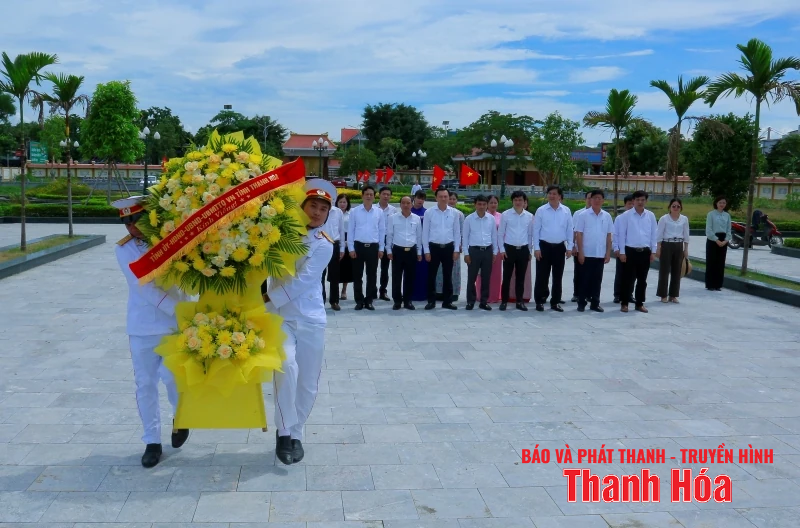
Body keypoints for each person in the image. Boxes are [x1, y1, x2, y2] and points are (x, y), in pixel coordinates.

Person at [113, 196, 190, 468]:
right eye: (126, 222)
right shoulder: (124, 250)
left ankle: (181, 418)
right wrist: (177, 310)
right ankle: (152, 441)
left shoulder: (170, 240)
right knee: (145, 384)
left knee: (172, 378)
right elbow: (142, 287)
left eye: (136, 219)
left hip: (172, 327)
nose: (132, 227)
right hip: (143, 325)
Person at [266, 178, 335, 465]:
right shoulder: (278, 234)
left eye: (322, 209)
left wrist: (267, 300)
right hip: (281, 318)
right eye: (312, 206)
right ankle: (283, 433)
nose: (316, 212)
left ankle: (297, 433)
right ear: (302, 206)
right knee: (286, 367)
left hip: (310, 318)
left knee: (307, 382)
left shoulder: (324, 245)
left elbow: (305, 282)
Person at [533, 185, 574, 312]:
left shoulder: (566, 211)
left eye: (554, 193)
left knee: (558, 276)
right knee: (542, 276)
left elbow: (569, 229)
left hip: (559, 248)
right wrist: (536, 248)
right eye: (550, 193)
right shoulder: (541, 210)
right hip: (544, 246)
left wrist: (570, 247)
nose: (551, 196)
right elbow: (536, 230)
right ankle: (539, 301)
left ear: (560, 196)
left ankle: (555, 302)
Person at [616, 190, 658, 313]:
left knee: (642, 280)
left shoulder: (650, 215)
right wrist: (622, 252)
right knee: (627, 279)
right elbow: (622, 235)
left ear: (646, 201)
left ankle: (639, 303)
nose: (640, 202)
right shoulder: (626, 216)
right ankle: (624, 303)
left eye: (642, 200)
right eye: (638, 200)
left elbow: (653, 234)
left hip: (644, 251)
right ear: (633, 201)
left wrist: (653, 251)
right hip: (630, 251)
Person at [574, 189, 613, 312]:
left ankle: (595, 303)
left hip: (599, 254)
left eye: (599, 198)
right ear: (590, 200)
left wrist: (607, 253)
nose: (597, 200)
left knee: (597, 280)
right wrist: (580, 252)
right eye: (594, 198)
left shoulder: (606, 216)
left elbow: (608, 235)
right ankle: (581, 302)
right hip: (586, 253)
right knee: (583, 279)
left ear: (603, 201)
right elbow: (578, 234)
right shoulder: (583, 215)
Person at [347, 185, 385, 311]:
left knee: (372, 275)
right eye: (366, 194)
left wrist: (381, 248)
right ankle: (359, 300)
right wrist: (351, 248)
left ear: (374, 197)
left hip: (373, 247)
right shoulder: (355, 211)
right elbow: (351, 230)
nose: (369, 196)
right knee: (357, 276)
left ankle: (369, 300)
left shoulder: (379, 212)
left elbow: (382, 231)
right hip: (358, 246)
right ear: (362, 196)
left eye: (371, 194)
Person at [423, 187, 461, 310]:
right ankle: (431, 301)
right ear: (436, 198)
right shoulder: (429, 212)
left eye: (446, 196)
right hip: (434, 247)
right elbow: (425, 233)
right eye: (441, 196)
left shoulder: (454, 213)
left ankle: (447, 301)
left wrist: (456, 250)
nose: (443, 199)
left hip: (448, 247)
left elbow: (457, 233)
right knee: (431, 275)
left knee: (447, 275)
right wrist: (426, 251)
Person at [498, 190, 533, 311]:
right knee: (507, 277)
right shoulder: (506, 215)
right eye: (516, 200)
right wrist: (502, 250)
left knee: (520, 277)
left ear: (524, 202)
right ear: (512, 201)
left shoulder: (529, 216)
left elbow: (530, 235)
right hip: (509, 249)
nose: (518, 202)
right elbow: (500, 233)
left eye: (520, 200)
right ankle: (504, 301)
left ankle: (520, 301)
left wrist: (529, 251)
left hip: (523, 250)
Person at [387, 195, 422, 310]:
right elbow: (390, 235)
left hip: (411, 251)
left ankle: (408, 301)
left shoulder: (416, 218)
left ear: (412, 204)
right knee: (396, 277)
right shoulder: (393, 218)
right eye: (403, 203)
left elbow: (419, 236)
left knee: (410, 277)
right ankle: (397, 301)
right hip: (397, 250)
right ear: (400, 204)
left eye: (408, 203)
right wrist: (388, 250)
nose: (406, 205)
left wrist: (419, 252)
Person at [656, 198, 690, 303]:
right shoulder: (664, 219)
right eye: (673, 206)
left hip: (679, 245)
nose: (675, 208)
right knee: (664, 271)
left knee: (677, 271)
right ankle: (663, 295)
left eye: (678, 206)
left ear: (681, 208)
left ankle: (673, 295)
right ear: (670, 207)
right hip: (667, 244)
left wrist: (686, 249)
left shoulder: (684, 219)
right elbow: (659, 234)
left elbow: (686, 234)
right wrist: (658, 248)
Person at [436, 190, 464, 302]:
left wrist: (459, 246)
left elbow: (461, 232)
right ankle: (439, 292)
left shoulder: (459, 214)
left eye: (453, 199)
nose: (451, 201)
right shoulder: (437, 212)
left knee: (454, 271)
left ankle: (454, 292)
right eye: (450, 198)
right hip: (441, 246)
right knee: (440, 270)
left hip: (454, 247)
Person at [475, 195, 502, 302]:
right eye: (491, 202)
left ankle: (494, 296)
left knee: (495, 274)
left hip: (497, 249)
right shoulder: (482, 216)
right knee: (482, 274)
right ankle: (481, 295)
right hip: (483, 248)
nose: (493, 205)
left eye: (495, 202)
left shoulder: (502, 216)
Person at [321, 195, 345, 311]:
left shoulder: (338, 212)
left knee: (335, 275)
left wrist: (342, 249)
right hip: (320, 243)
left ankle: (334, 301)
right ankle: (320, 300)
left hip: (334, 244)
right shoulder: (320, 210)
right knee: (320, 275)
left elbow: (341, 230)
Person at [705, 195, 732, 291]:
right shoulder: (711, 214)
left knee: (720, 263)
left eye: (724, 203)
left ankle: (718, 284)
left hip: (723, 240)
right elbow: (708, 230)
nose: (722, 204)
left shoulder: (727, 215)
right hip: (713, 240)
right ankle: (710, 284)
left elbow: (729, 230)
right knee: (711, 262)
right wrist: (716, 240)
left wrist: (725, 240)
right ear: (716, 203)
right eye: (720, 202)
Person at [377, 186, 398, 301]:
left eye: (388, 194)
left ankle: (383, 291)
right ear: (379, 195)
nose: (386, 196)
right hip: (374, 240)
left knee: (385, 268)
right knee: (372, 268)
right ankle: (371, 290)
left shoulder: (393, 210)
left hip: (387, 240)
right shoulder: (374, 208)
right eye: (384, 194)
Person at [612, 195, 634, 303]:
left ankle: (629, 294)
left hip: (633, 249)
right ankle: (617, 294)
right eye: (629, 204)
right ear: (625, 205)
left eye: (632, 204)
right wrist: (616, 247)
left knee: (632, 274)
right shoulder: (619, 218)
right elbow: (615, 234)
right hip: (622, 249)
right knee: (620, 272)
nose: (631, 206)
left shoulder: (637, 218)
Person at [571, 192, 592, 303]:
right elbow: (574, 231)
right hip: (580, 248)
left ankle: (589, 294)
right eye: (589, 198)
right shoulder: (578, 213)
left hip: (593, 250)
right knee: (579, 272)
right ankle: (577, 294)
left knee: (591, 273)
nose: (591, 200)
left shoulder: (601, 214)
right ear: (585, 199)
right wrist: (573, 246)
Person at [410, 190, 429, 302]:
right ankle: (410, 293)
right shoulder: (408, 211)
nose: (420, 200)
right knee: (410, 271)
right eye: (419, 198)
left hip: (423, 246)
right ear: (414, 198)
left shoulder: (427, 213)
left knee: (423, 271)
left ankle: (423, 294)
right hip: (410, 245)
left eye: (422, 198)